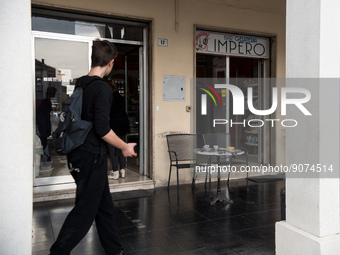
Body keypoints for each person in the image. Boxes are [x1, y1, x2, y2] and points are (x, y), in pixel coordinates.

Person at [49, 39, 136, 255]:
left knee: (103, 206)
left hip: (78, 154)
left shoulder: (81, 84)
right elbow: (103, 129)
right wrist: (124, 146)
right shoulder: (102, 88)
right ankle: (57, 252)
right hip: (90, 158)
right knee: (85, 211)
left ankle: (115, 250)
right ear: (111, 63)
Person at [106, 79, 130, 179]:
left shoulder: (108, 98)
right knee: (122, 147)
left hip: (113, 125)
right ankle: (122, 170)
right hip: (123, 125)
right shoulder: (120, 97)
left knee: (112, 148)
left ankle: (115, 171)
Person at [36, 86, 57, 166]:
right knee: (43, 144)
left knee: (43, 144)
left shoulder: (45, 101)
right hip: (41, 126)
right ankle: (46, 162)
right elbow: (44, 117)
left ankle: (46, 161)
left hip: (42, 126)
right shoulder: (45, 102)